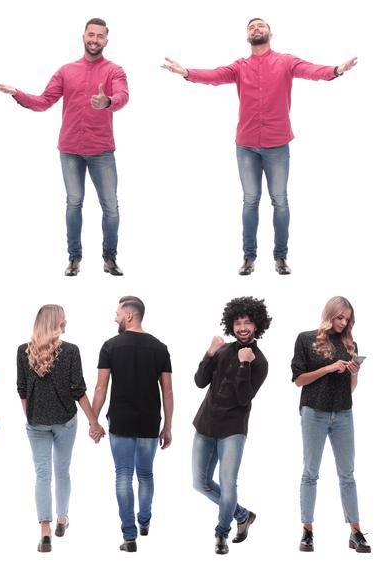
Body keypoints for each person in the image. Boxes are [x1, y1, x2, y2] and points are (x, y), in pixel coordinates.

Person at [162, 18, 358, 275]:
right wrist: (187, 72)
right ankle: (248, 258)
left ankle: (280, 258)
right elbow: (214, 75)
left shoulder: (286, 61)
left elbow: (311, 70)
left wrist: (336, 69)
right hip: (246, 146)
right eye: (251, 27)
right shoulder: (240, 67)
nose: (256, 29)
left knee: (280, 201)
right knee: (250, 201)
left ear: (270, 33)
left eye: (260, 26)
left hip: (278, 144)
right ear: (247, 38)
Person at [0, 18, 129, 277]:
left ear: (106, 41)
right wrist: (16, 93)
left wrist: (108, 101)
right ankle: (74, 259)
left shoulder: (114, 71)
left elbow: (123, 96)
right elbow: (44, 101)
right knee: (74, 203)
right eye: (91, 34)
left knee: (110, 206)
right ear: (83, 37)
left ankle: (110, 258)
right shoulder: (66, 71)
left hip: (101, 150)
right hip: (70, 150)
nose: (95, 40)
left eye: (100, 36)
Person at [15, 304, 103, 552]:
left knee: (42, 474)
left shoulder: (23, 351)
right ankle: (62, 518)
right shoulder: (71, 351)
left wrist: (32, 416)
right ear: (56, 322)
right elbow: (79, 390)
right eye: (63, 319)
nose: (65, 323)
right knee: (62, 470)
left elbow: (22, 390)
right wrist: (93, 421)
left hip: (36, 423)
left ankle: (45, 530)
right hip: (65, 421)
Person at [91, 296, 174, 552]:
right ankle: (145, 521)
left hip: (121, 421)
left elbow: (101, 388)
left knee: (123, 475)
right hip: (150, 421)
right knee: (146, 474)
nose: (114, 317)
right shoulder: (160, 348)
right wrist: (168, 426)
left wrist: (93, 421)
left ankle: (129, 536)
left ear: (129, 315)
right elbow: (167, 392)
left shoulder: (110, 346)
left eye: (117, 313)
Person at [192, 296, 271, 554]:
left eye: (248, 322)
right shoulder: (223, 350)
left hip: (233, 431)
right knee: (200, 483)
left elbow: (243, 397)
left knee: (228, 484)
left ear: (257, 325)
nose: (243, 327)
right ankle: (242, 514)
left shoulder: (259, 361)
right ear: (231, 325)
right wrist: (209, 353)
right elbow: (200, 381)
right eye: (238, 322)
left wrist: (245, 364)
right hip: (205, 425)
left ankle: (221, 534)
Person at [290, 297, 370, 553]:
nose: (343, 322)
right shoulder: (306, 339)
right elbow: (299, 380)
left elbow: (351, 388)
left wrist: (354, 371)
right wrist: (329, 368)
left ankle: (356, 531)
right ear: (329, 314)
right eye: (339, 317)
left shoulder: (350, 344)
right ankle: (307, 530)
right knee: (310, 473)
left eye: (346, 318)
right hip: (314, 412)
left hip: (343, 414)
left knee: (347, 474)